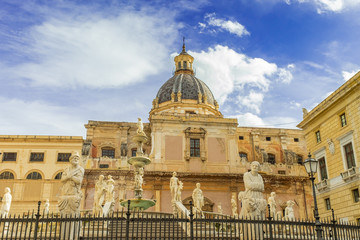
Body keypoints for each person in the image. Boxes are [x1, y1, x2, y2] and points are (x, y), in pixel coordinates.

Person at [58, 152, 84, 216]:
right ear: (70, 160)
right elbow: (62, 179)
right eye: (74, 158)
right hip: (66, 191)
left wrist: (71, 176)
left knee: (74, 213)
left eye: (77, 158)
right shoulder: (66, 169)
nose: (76, 159)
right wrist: (68, 177)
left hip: (74, 191)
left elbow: (79, 181)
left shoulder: (80, 169)